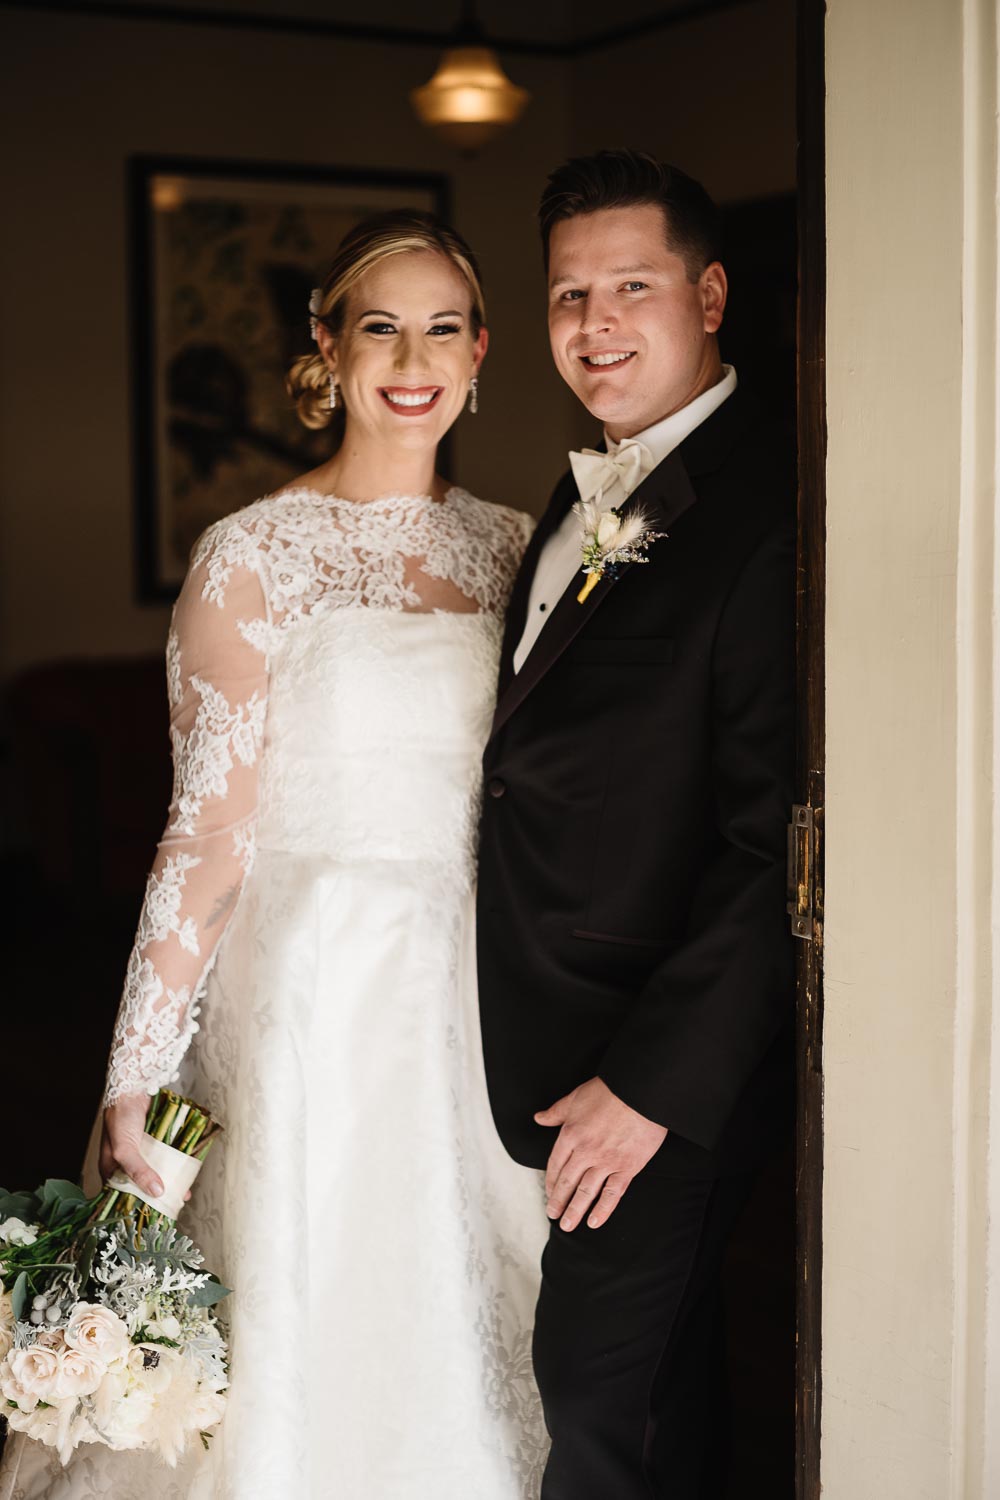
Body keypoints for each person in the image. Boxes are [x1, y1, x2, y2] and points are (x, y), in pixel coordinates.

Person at [2, 211, 549, 1500]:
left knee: (461, 1299)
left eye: (442, 328)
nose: (411, 359)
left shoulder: (520, 548)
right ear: (327, 348)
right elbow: (202, 836)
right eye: (379, 326)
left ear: (481, 354)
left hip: (478, 982)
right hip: (315, 985)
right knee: (311, 1299)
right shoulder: (250, 557)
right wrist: (134, 1078)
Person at [476, 150, 796, 1498]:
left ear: (709, 293)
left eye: (632, 287)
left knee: (600, 1420)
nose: (596, 326)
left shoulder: (768, 509)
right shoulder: (584, 489)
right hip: (545, 1043)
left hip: (648, 1074)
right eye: (568, 296)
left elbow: (776, 836)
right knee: (648, 1404)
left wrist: (655, 1086)